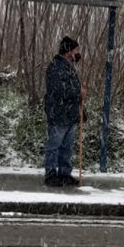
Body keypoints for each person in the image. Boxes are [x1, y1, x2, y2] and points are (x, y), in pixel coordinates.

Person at [43, 36, 84, 187]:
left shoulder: (69, 67)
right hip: (59, 113)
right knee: (55, 145)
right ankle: (51, 174)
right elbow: (59, 90)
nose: (78, 53)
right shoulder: (55, 67)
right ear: (68, 51)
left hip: (71, 114)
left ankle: (64, 173)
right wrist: (78, 92)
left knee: (67, 147)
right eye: (76, 50)